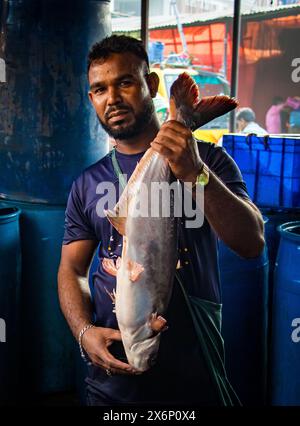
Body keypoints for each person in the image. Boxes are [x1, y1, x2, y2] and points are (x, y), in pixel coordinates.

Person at [57, 35, 265, 406]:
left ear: (150, 85)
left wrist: (195, 172)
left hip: (194, 377)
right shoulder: (86, 183)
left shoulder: (210, 163)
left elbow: (252, 244)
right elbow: (71, 269)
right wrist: (84, 331)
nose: (113, 98)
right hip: (111, 389)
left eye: (124, 82)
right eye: (99, 89)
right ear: (91, 99)